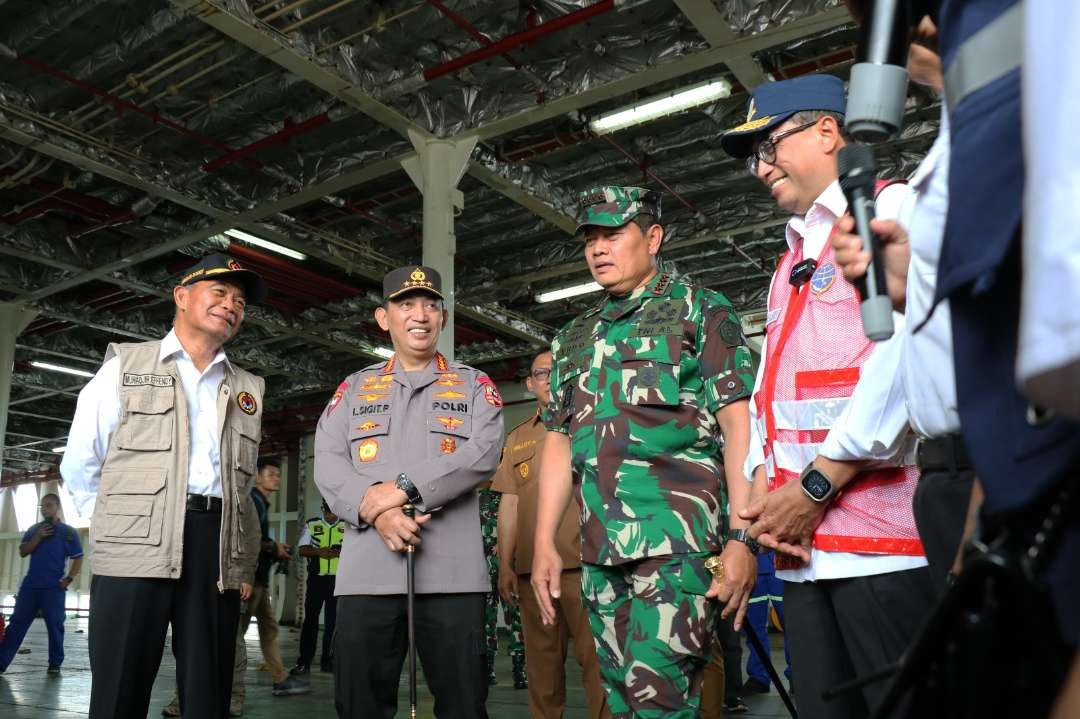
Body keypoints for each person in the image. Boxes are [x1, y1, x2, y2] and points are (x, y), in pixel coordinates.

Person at [720, 75, 935, 719]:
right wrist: (761, 484)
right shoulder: (792, 259)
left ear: (827, 131)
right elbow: (769, 392)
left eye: (770, 144)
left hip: (885, 545)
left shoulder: (897, 209)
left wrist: (816, 484)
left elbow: (903, 366)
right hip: (803, 555)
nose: (761, 167)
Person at [531, 186, 759, 718]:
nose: (598, 249)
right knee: (621, 700)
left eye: (613, 234)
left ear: (653, 237)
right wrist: (545, 542)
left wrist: (742, 537)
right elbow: (559, 442)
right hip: (597, 550)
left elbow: (740, 429)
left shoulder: (701, 310)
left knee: (660, 700)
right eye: (590, 239)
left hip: (675, 544)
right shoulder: (573, 337)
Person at [60, 253, 267, 719]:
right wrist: (117, 525)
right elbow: (81, 458)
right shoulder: (125, 366)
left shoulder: (248, 387)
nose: (231, 305)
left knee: (208, 692)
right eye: (219, 293)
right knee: (120, 688)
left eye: (239, 301)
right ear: (182, 296)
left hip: (215, 547)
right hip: (135, 543)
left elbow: (243, 486)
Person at [314, 264, 504, 719]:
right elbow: (328, 461)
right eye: (405, 304)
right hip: (366, 577)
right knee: (360, 705)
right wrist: (375, 511)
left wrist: (400, 491)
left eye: (430, 305)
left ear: (443, 318)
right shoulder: (354, 388)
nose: (419, 314)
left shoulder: (475, 385)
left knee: (463, 705)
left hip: (453, 579)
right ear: (385, 318)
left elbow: (483, 453)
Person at [491, 351, 609, 719]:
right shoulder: (518, 438)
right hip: (532, 575)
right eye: (542, 373)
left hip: (588, 567)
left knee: (600, 670)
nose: (550, 379)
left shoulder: (594, 423)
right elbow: (509, 504)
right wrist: (505, 565)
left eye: (558, 372)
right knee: (542, 672)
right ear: (529, 383)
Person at [232, 459, 310, 712]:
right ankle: (231, 692)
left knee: (269, 629)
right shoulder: (253, 501)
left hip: (261, 579)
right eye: (272, 474)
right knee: (237, 637)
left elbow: (260, 539)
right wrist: (273, 547)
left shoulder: (262, 503)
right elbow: (247, 539)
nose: (277, 479)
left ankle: (281, 679)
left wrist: (273, 548)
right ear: (257, 476)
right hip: (251, 580)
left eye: (278, 475)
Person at [0, 493, 83, 675]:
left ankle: (55, 663)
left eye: (49, 505)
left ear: (57, 506)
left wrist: (68, 579)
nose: (45, 509)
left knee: (55, 625)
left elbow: (78, 558)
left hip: (53, 588)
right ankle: (1, 663)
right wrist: (37, 537)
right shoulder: (33, 530)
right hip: (30, 587)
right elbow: (23, 552)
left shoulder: (68, 533)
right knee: (16, 625)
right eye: (43, 506)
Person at [479, 479, 527, 688]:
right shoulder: (477, 499)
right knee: (486, 618)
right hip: (483, 565)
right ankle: (487, 668)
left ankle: (520, 669)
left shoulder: (511, 497)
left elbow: (521, 523)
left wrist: (508, 545)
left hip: (509, 564)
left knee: (516, 616)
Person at [292, 500, 344, 675]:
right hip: (316, 580)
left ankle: (328, 662)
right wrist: (320, 551)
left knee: (332, 623)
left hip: (337, 582)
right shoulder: (312, 524)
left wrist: (340, 551)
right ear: (322, 509)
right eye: (327, 512)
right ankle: (304, 662)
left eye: (333, 513)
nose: (330, 517)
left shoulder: (346, 526)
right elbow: (302, 549)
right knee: (310, 621)